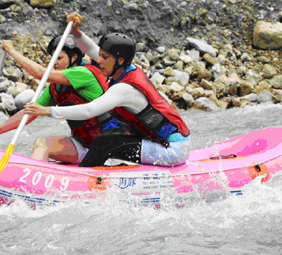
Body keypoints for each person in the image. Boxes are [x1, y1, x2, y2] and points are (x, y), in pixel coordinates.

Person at [24, 13, 191, 168]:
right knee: (105, 141)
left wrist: (47, 111)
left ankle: (85, 181)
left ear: (119, 60)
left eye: (104, 58)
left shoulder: (124, 89)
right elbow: (91, 49)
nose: (99, 61)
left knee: (104, 144)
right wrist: (76, 32)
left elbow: (88, 110)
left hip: (172, 149)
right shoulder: (123, 66)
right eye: (101, 56)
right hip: (155, 141)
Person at [0, 35, 122, 164]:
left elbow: (40, 73)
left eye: (59, 58)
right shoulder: (54, 87)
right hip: (84, 144)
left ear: (74, 57)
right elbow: (28, 114)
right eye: (52, 58)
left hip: (109, 146)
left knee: (44, 144)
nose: (54, 62)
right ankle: (32, 189)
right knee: (43, 144)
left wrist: (11, 52)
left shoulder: (84, 73)